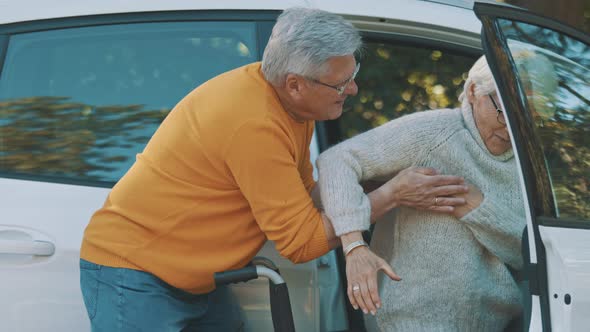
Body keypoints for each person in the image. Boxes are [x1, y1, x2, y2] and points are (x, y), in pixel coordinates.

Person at [78, 7, 469, 331]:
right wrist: (392, 196)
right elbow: (302, 242)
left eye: (353, 75)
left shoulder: (293, 106)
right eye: (341, 83)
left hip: (193, 280)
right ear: (296, 84)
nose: (352, 90)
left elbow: (305, 198)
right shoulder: (253, 125)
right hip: (135, 276)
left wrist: (375, 179)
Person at [317, 55, 527, 331]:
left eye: (522, 117)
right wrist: (354, 246)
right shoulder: (434, 132)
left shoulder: (528, 163)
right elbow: (337, 161)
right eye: (503, 112)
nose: (511, 129)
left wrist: (479, 208)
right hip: (409, 322)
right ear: (474, 91)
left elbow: (533, 254)